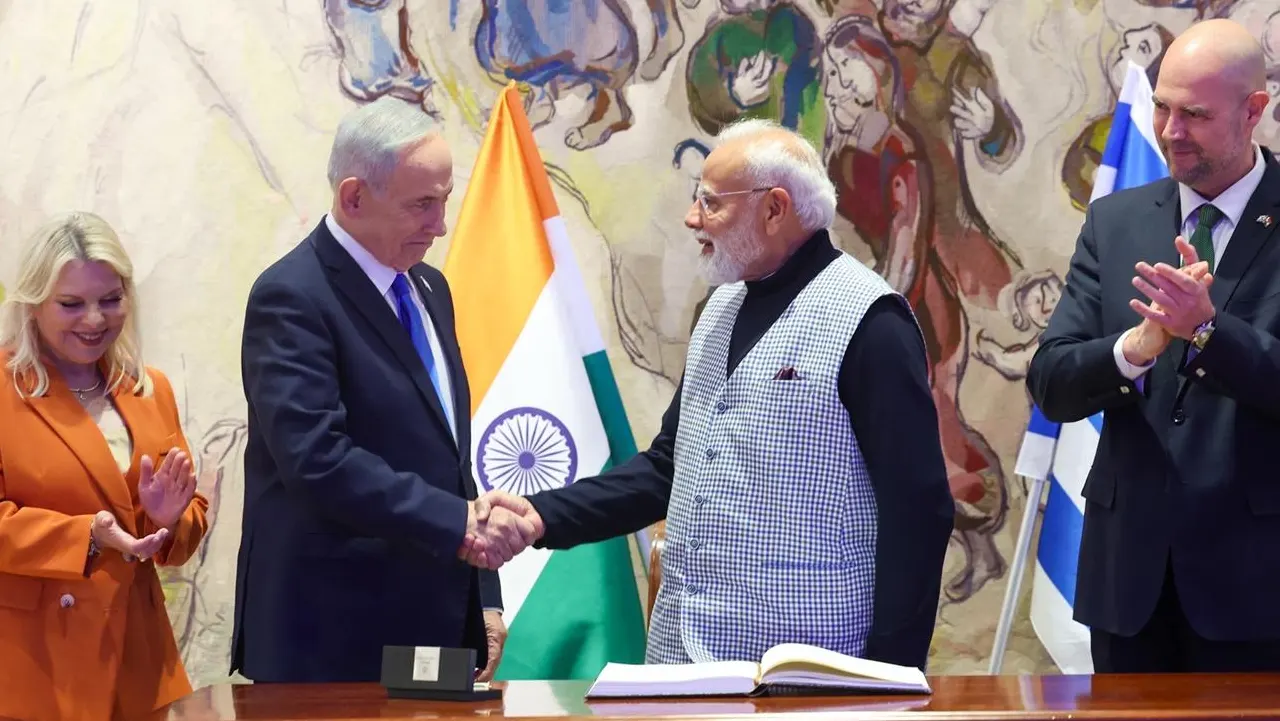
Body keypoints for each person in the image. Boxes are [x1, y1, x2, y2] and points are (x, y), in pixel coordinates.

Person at [467, 119, 954, 670]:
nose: (692, 218)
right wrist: (540, 515)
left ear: (774, 209)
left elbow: (919, 511)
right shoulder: (721, 308)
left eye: (710, 202)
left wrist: (889, 675)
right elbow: (668, 468)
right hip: (681, 662)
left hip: (808, 672)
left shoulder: (872, 322)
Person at [231, 96, 537, 684]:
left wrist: (485, 596)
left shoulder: (429, 288)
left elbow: (449, 460)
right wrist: (462, 525)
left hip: (436, 621)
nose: (440, 224)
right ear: (353, 197)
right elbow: (317, 461)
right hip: (331, 637)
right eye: (422, 204)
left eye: (444, 201)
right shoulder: (292, 296)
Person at [1027, 19, 1280, 673]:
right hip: (1128, 583)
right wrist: (1136, 346)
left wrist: (1206, 329)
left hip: (1256, 589)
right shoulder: (1117, 219)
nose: (1170, 131)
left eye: (1194, 114)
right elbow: (1051, 380)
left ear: (1255, 109)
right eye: (1162, 108)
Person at [0, 212, 208, 721]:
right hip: (34, 667)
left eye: (110, 300)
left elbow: (185, 524)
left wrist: (166, 519)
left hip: (139, 663)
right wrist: (85, 537)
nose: (95, 320)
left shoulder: (148, 388)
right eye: (71, 304)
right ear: (32, 304)